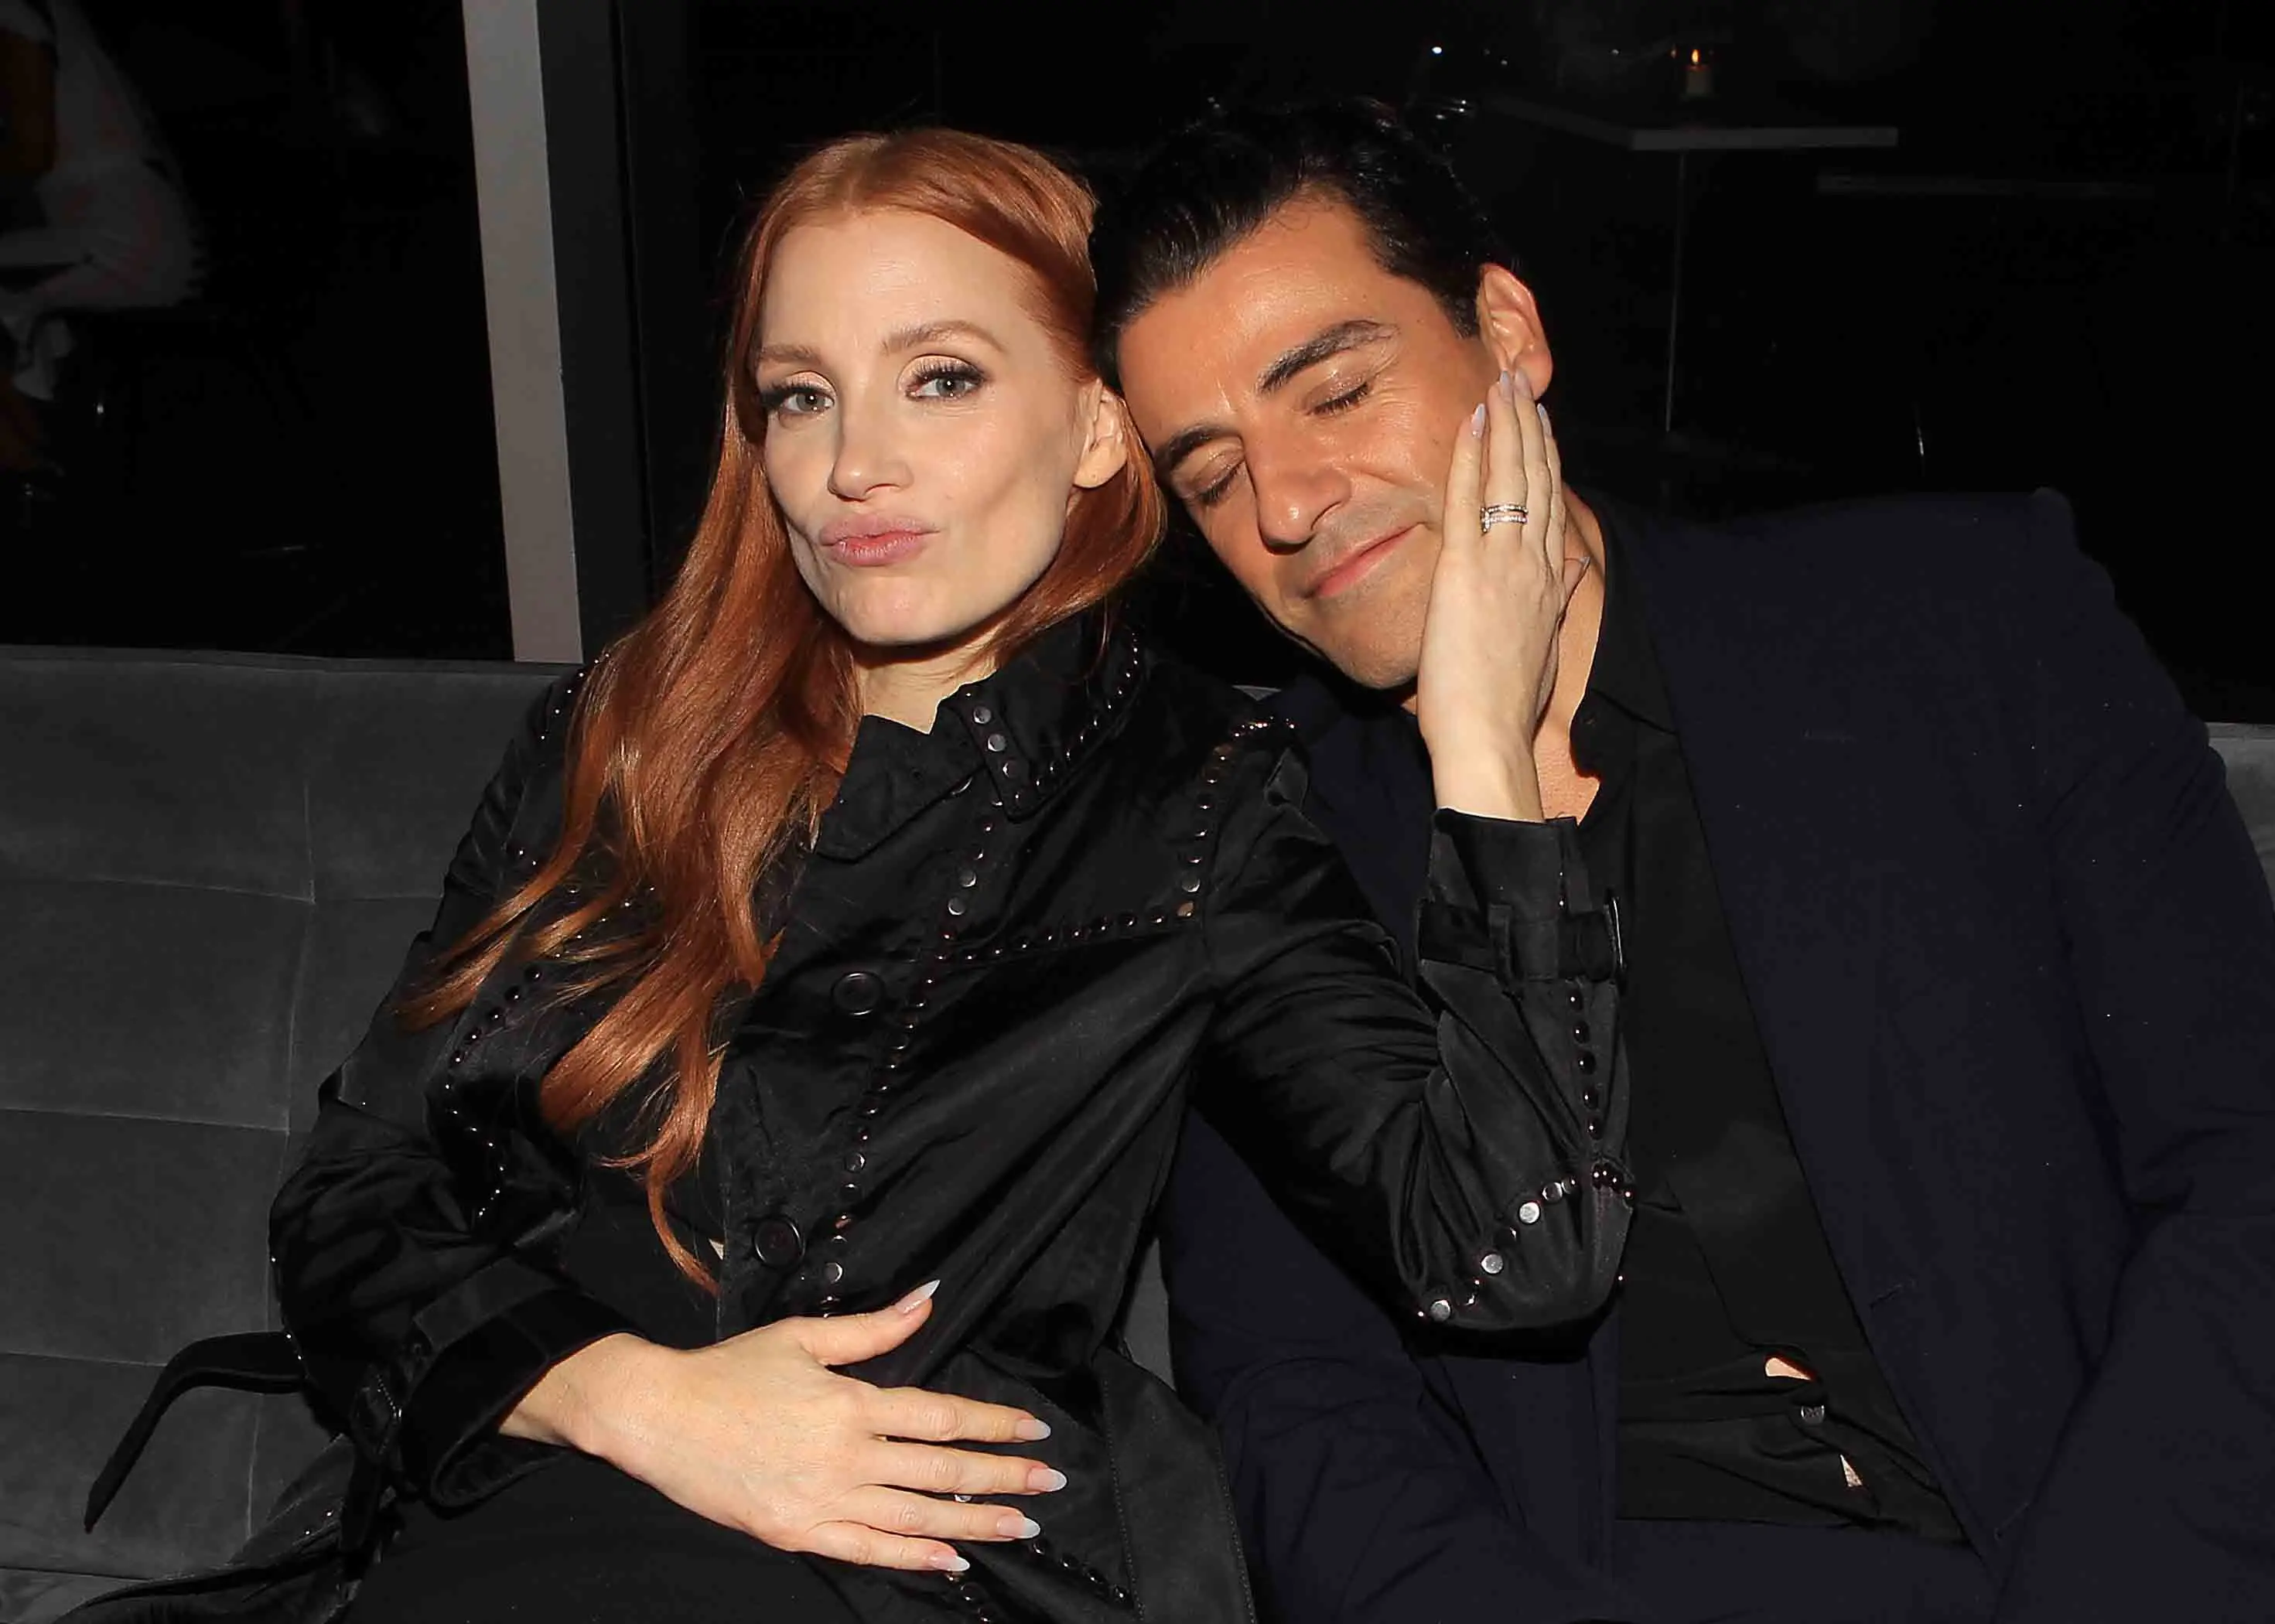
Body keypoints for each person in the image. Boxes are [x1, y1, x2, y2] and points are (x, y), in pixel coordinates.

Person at [68, 126, 1625, 1624]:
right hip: (539, 1481)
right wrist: (635, 1400)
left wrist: (1481, 757)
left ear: (1095, 427)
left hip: (903, 1552)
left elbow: (1519, 1251)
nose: (852, 466)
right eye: (799, 397)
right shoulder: (622, 735)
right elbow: (354, 1195)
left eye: (938, 379)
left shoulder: (1195, 797)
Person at [1091, 99, 2275, 1624]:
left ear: (1505, 330)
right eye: (1212, 473)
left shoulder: (1966, 623)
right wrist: (1480, 769)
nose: (1290, 505)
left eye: (1337, 392)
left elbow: (2256, 1170)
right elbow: (1301, 1406)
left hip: (2106, 1557)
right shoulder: (1254, 849)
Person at [0, 0, 199, 473]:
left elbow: (31, 150)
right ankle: (40, 471)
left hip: (126, 240)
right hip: (137, 231)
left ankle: (34, 479)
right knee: (15, 292)